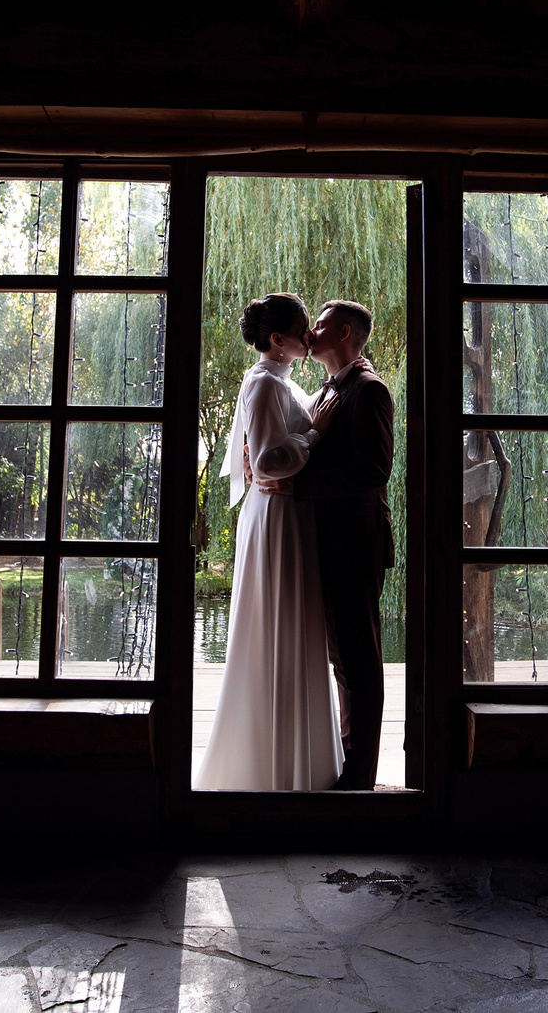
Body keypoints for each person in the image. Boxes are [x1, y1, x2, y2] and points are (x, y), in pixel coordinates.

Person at [194, 293, 343, 791]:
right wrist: (314, 436)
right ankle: (270, 765)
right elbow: (265, 463)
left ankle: (297, 761)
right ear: (278, 340)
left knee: (294, 623)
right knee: (279, 619)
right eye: (302, 330)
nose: (310, 336)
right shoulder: (262, 384)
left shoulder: (281, 380)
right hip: (277, 515)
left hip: (289, 512)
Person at [289, 300, 395, 791]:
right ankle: (349, 766)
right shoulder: (330, 389)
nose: (311, 330)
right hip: (331, 542)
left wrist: (298, 485)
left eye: (321, 323)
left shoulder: (369, 390)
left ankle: (360, 780)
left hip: (356, 544)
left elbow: (373, 470)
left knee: (358, 661)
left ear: (345, 332)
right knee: (342, 660)